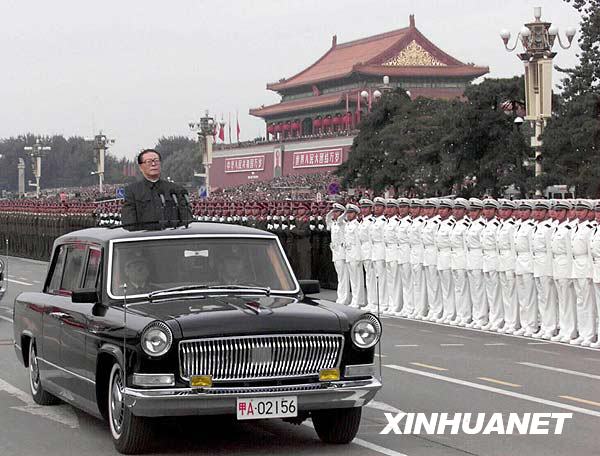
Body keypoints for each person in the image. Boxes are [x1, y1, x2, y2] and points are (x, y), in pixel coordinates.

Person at [121, 149, 192, 229]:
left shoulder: (176, 189)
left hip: (172, 234)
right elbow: (129, 223)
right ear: (141, 167)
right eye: (149, 162)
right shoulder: (132, 191)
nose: (153, 164)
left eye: (156, 161)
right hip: (145, 235)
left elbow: (187, 220)